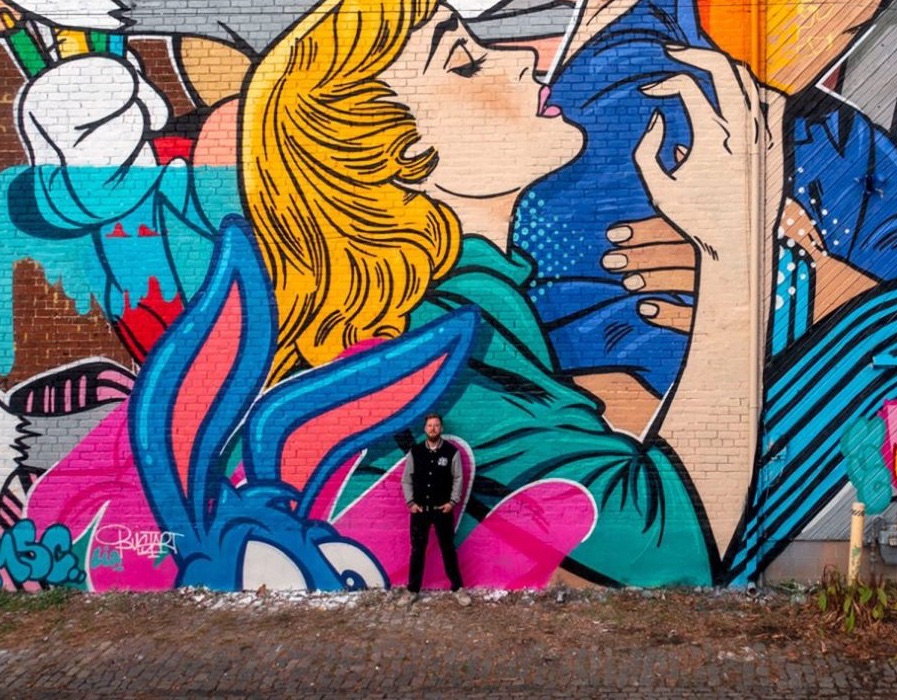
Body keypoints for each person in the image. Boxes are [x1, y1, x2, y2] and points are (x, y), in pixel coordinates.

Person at [241, 0, 775, 586]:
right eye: (465, 60)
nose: (522, 57)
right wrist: (733, 245)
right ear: (406, 157)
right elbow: (668, 542)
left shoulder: (466, 303)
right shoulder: (440, 335)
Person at [399, 413, 471, 606]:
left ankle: (458, 588)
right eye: (430, 426)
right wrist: (411, 503)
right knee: (417, 550)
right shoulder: (416, 452)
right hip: (420, 511)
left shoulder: (451, 452)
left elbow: (458, 478)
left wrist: (452, 502)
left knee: (448, 549)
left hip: (442, 510)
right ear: (425, 429)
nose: (433, 429)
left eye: (436, 425)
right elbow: (406, 479)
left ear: (441, 428)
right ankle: (412, 590)